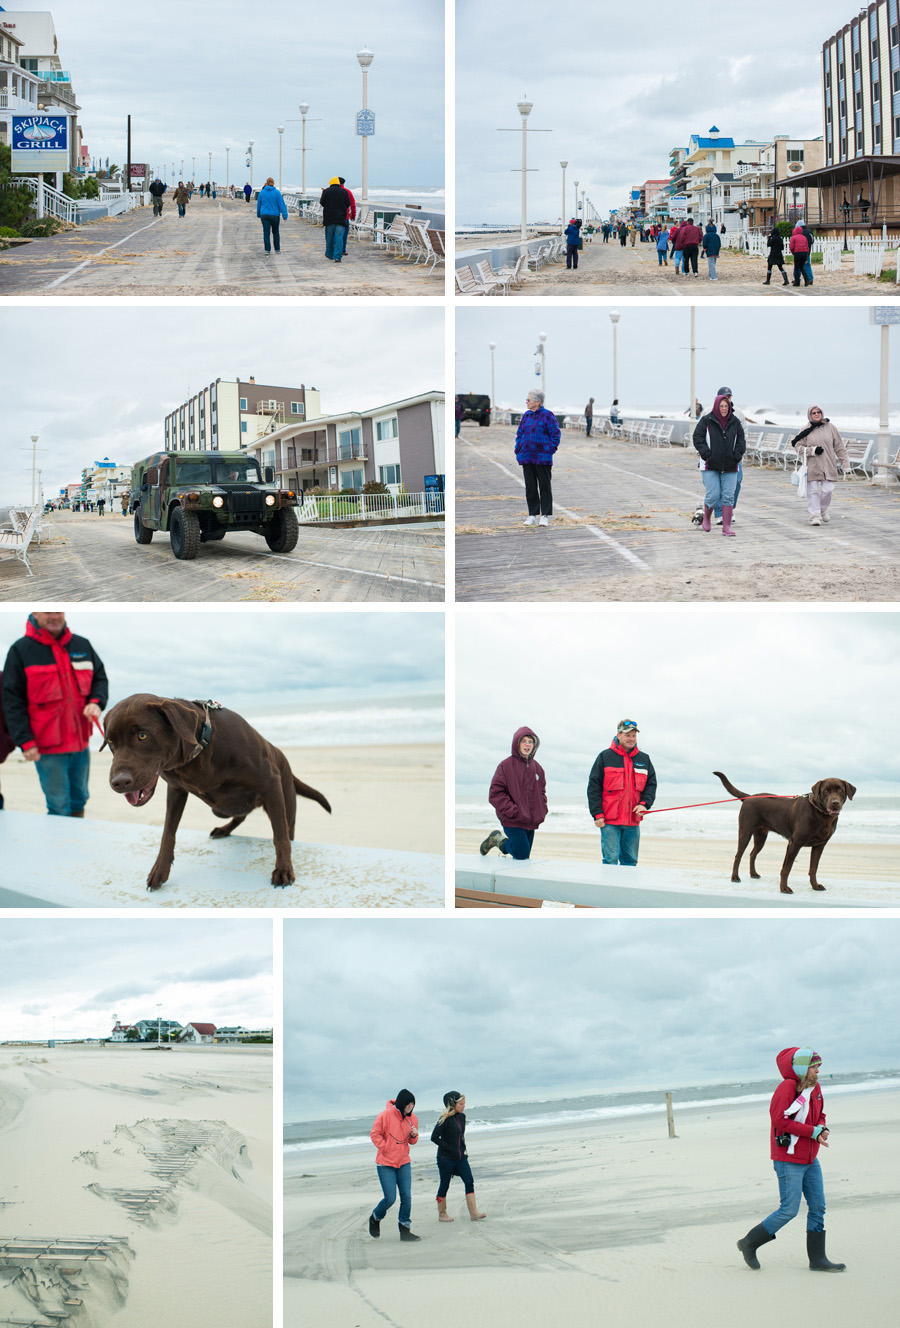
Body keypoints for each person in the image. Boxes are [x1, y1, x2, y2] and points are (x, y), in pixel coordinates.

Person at [737, 1048, 845, 1274]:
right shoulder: (786, 1087)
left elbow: (820, 1114)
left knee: (818, 1207)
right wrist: (812, 1132)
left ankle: (817, 1259)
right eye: (814, 1066)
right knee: (789, 1209)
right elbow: (779, 1121)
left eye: (818, 1066)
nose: (818, 1070)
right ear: (802, 1067)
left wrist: (822, 1129)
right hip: (788, 1159)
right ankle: (749, 1243)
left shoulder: (815, 1087)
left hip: (810, 1157)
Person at [2, 612, 108, 818]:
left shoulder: (82, 645)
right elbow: (12, 701)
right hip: (46, 746)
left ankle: (75, 842)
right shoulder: (20, 650)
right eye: (47, 611)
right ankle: (60, 848)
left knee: (80, 798)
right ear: (35, 613)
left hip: (81, 743)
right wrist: (25, 741)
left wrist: (96, 702)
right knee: (58, 804)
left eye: (58, 611)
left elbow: (100, 679)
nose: (54, 616)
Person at [587, 720, 657, 866]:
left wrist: (644, 804)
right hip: (610, 821)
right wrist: (597, 814)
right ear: (619, 735)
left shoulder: (644, 759)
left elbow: (651, 785)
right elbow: (594, 788)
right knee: (610, 860)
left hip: (633, 821)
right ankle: (609, 888)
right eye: (627, 735)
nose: (631, 739)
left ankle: (628, 888)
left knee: (631, 861)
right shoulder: (604, 757)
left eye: (634, 735)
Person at [480, 726, 548, 861]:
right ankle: (497, 840)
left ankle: (496, 839)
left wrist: (542, 810)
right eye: (524, 741)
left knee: (524, 855)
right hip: (512, 818)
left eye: (530, 741)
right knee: (521, 854)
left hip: (530, 820)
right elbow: (495, 793)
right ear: (517, 743)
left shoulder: (538, 768)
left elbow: (542, 792)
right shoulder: (505, 766)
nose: (527, 744)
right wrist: (513, 811)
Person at [369, 1090, 421, 1242]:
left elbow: (413, 1141)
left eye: (413, 1105)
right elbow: (375, 1134)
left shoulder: (413, 1118)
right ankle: (375, 1217)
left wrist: (413, 1135)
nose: (410, 1107)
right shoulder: (385, 1115)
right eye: (408, 1104)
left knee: (407, 1197)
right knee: (390, 1198)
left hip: (404, 1161)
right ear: (401, 1103)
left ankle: (405, 1230)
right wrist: (386, 1148)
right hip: (385, 1163)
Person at [692, 392, 746, 536]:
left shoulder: (735, 422)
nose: (723, 408)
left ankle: (726, 527)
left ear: (729, 407)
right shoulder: (706, 420)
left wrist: (737, 455)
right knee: (713, 495)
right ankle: (707, 518)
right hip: (710, 464)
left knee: (728, 496)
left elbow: (741, 441)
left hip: (730, 464)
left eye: (726, 406)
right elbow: (697, 438)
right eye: (721, 406)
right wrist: (706, 453)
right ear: (716, 406)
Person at [431, 1092, 486, 1223]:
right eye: (461, 1104)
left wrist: (462, 1151)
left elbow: (460, 1137)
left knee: (469, 1181)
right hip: (445, 1159)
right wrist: (448, 1147)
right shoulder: (444, 1120)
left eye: (464, 1103)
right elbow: (434, 1137)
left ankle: (474, 1213)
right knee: (444, 1185)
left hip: (461, 1158)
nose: (463, 1106)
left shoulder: (462, 1117)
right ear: (452, 1104)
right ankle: (442, 1214)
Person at [790, 406, 848, 526]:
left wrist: (845, 463)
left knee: (828, 490)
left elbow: (839, 447)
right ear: (810, 414)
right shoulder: (805, 429)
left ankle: (822, 509)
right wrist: (812, 450)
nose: (817, 414)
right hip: (812, 465)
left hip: (828, 465)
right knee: (813, 491)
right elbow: (797, 447)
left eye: (819, 412)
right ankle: (815, 515)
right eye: (814, 413)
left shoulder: (831, 427)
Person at [514, 389, 559, 526]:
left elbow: (555, 434)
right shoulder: (526, 416)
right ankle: (532, 515)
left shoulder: (548, 415)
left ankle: (544, 515)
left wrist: (549, 449)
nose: (526, 402)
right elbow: (520, 433)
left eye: (528, 400)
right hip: (527, 456)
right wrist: (518, 449)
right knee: (530, 487)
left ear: (537, 402)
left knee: (545, 486)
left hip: (543, 458)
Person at [710, 385, 745, 525]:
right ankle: (720, 513)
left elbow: (744, 434)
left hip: (733, 457)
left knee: (736, 482)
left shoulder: (739, 414)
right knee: (718, 485)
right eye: (725, 397)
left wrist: (738, 452)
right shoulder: (709, 412)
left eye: (729, 396)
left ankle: (729, 509)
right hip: (716, 457)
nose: (728, 399)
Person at [319, 177, 354, 262]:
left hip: (329, 218)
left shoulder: (326, 191)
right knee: (339, 238)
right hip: (341, 219)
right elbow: (348, 204)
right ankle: (337, 256)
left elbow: (322, 203)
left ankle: (329, 254)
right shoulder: (344, 192)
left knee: (329, 238)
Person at [256, 177, 288, 255]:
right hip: (275, 215)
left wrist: (258, 214)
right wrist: (285, 215)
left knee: (266, 233)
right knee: (275, 232)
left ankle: (267, 250)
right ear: (273, 183)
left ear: (266, 183)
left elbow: (259, 205)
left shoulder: (262, 192)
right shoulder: (277, 193)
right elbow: (281, 204)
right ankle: (277, 249)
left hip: (264, 215)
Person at [337, 177, 356, 257]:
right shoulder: (348, 192)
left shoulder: (332, 191)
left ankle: (336, 249)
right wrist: (353, 215)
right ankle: (343, 250)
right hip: (345, 217)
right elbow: (352, 204)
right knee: (344, 235)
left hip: (335, 217)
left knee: (336, 235)